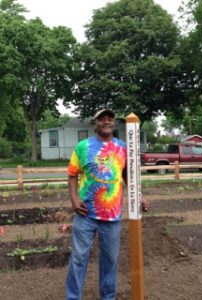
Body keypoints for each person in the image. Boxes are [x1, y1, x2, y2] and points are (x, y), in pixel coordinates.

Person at [65, 109, 148, 300]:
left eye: (109, 119)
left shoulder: (123, 148)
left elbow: (128, 175)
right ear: (95, 123)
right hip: (85, 214)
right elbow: (72, 174)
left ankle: (108, 297)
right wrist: (74, 199)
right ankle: (72, 297)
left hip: (112, 216)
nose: (106, 121)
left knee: (110, 261)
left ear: (113, 123)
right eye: (102, 119)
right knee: (78, 259)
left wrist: (140, 195)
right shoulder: (82, 147)